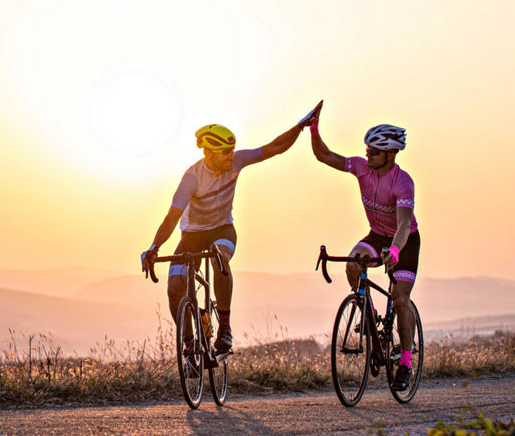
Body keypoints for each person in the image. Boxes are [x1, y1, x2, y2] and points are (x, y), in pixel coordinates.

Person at [141, 102, 321, 376]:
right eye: (225, 153)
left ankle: (224, 328)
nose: (231, 157)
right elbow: (171, 217)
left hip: (223, 230)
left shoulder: (236, 161)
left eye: (232, 151)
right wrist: (154, 248)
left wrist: (300, 126)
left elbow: (274, 147)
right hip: (191, 235)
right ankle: (190, 350)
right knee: (174, 288)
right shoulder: (192, 177)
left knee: (219, 255)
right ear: (209, 153)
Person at [307, 105, 420, 391]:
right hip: (376, 235)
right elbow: (324, 155)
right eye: (367, 149)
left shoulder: (403, 183)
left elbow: (404, 225)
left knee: (400, 298)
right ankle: (367, 312)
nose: (367, 153)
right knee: (352, 264)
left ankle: (405, 362)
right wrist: (314, 129)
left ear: (390, 155)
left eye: (374, 151)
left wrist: (394, 252)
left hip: (404, 242)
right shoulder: (360, 167)